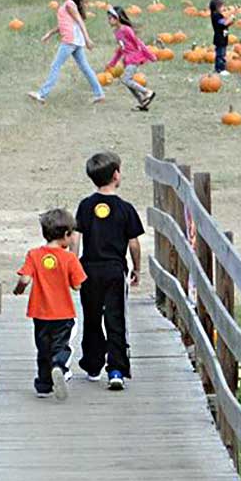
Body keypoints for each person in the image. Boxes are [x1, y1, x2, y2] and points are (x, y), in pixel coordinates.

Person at [73, 152, 144, 391]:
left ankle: (92, 365)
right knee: (115, 318)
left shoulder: (85, 206)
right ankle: (116, 369)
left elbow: (75, 238)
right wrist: (137, 268)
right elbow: (133, 243)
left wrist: (73, 267)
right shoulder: (125, 208)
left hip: (88, 270)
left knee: (91, 318)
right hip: (115, 271)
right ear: (116, 175)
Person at [14, 209, 87, 400]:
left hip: (40, 312)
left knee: (43, 347)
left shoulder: (34, 254)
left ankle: (44, 384)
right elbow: (78, 285)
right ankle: (59, 367)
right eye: (72, 235)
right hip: (63, 313)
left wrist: (18, 290)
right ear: (65, 235)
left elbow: (24, 279)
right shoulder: (69, 258)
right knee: (62, 346)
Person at [28, 0, 105, 104]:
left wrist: (87, 39)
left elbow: (79, 21)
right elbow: (65, 24)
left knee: (55, 66)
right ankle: (99, 93)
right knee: (85, 67)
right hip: (74, 41)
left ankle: (42, 94)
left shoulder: (69, 4)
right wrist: (50, 33)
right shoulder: (68, 4)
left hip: (70, 41)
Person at [105, 6, 157, 111]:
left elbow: (138, 43)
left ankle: (147, 92)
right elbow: (121, 49)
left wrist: (150, 55)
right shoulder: (117, 32)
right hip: (127, 60)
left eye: (111, 18)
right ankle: (142, 102)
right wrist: (112, 63)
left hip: (134, 58)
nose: (109, 20)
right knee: (127, 81)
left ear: (117, 18)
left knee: (126, 79)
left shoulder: (126, 30)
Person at [209, 0, 235, 75]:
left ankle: (219, 67)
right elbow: (224, 23)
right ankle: (220, 69)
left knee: (222, 53)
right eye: (222, 7)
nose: (223, 8)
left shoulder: (219, 15)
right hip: (219, 39)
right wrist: (231, 18)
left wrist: (231, 21)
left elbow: (226, 24)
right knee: (220, 55)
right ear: (216, 8)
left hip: (223, 38)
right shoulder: (216, 16)